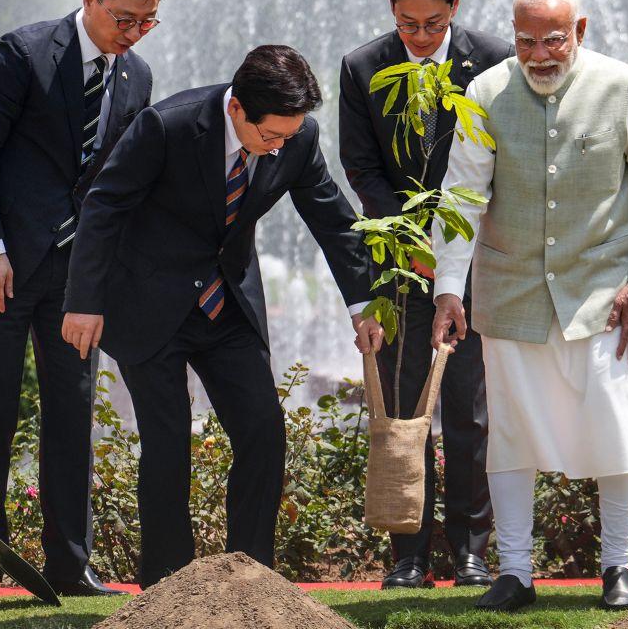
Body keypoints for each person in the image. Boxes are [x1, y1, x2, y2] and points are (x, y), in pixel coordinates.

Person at [61, 45, 385, 588]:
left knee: (263, 431)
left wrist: (362, 305)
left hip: (227, 305)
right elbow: (103, 206)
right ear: (238, 109)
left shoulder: (297, 138)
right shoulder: (166, 126)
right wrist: (84, 300)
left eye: (288, 135)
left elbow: (333, 220)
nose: (279, 146)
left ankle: (249, 580)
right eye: (270, 137)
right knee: (167, 443)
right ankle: (168, 587)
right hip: (149, 303)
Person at [431, 0, 628, 612]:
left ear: (581, 30)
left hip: (607, 292)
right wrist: (446, 289)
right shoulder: (485, 92)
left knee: (615, 423)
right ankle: (515, 573)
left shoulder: (622, 86)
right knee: (511, 434)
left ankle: (618, 565)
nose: (539, 54)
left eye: (553, 39)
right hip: (512, 287)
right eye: (526, 40)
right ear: (511, 34)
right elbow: (462, 197)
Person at [0, 0, 165, 597]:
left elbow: (119, 187)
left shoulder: (137, 77)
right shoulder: (22, 54)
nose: (135, 33)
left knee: (73, 411)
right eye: (125, 18)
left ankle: (70, 563)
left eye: (147, 21)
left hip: (75, 282)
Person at [338, 0, 512, 590]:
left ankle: (471, 549)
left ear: (456, 7)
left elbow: (501, 160)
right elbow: (360, 166)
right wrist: (410, 239)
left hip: (473, 260)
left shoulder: (494, 60)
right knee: (406, 408)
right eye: (408, 23)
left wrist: (455, 247)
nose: (418, 37)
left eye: (432, 24)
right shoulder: (363, 67)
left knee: (467, 410)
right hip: (399, 262)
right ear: (392, 10)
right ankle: (408, 553)